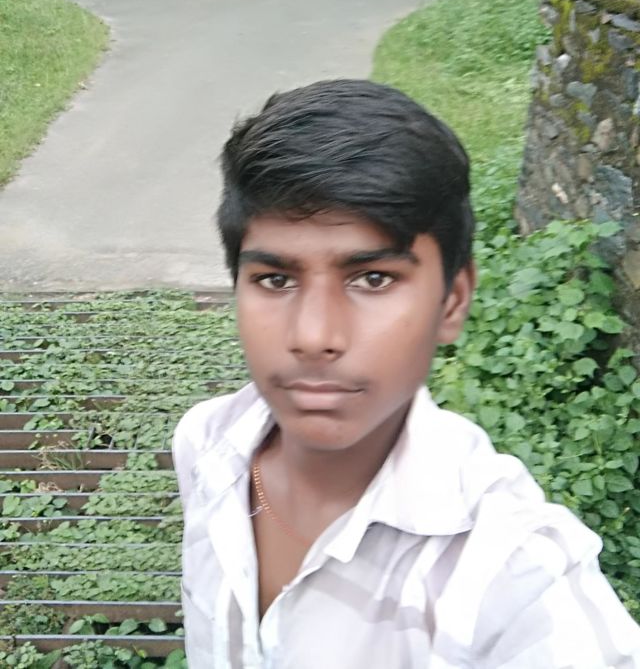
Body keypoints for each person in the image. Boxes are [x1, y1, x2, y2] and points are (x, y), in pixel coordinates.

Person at [172, 79, 640, 668]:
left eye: (373, 279)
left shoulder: (513, 575)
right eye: (275, 279)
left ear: (452, 300)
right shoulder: (208, 445)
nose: (313, 336)